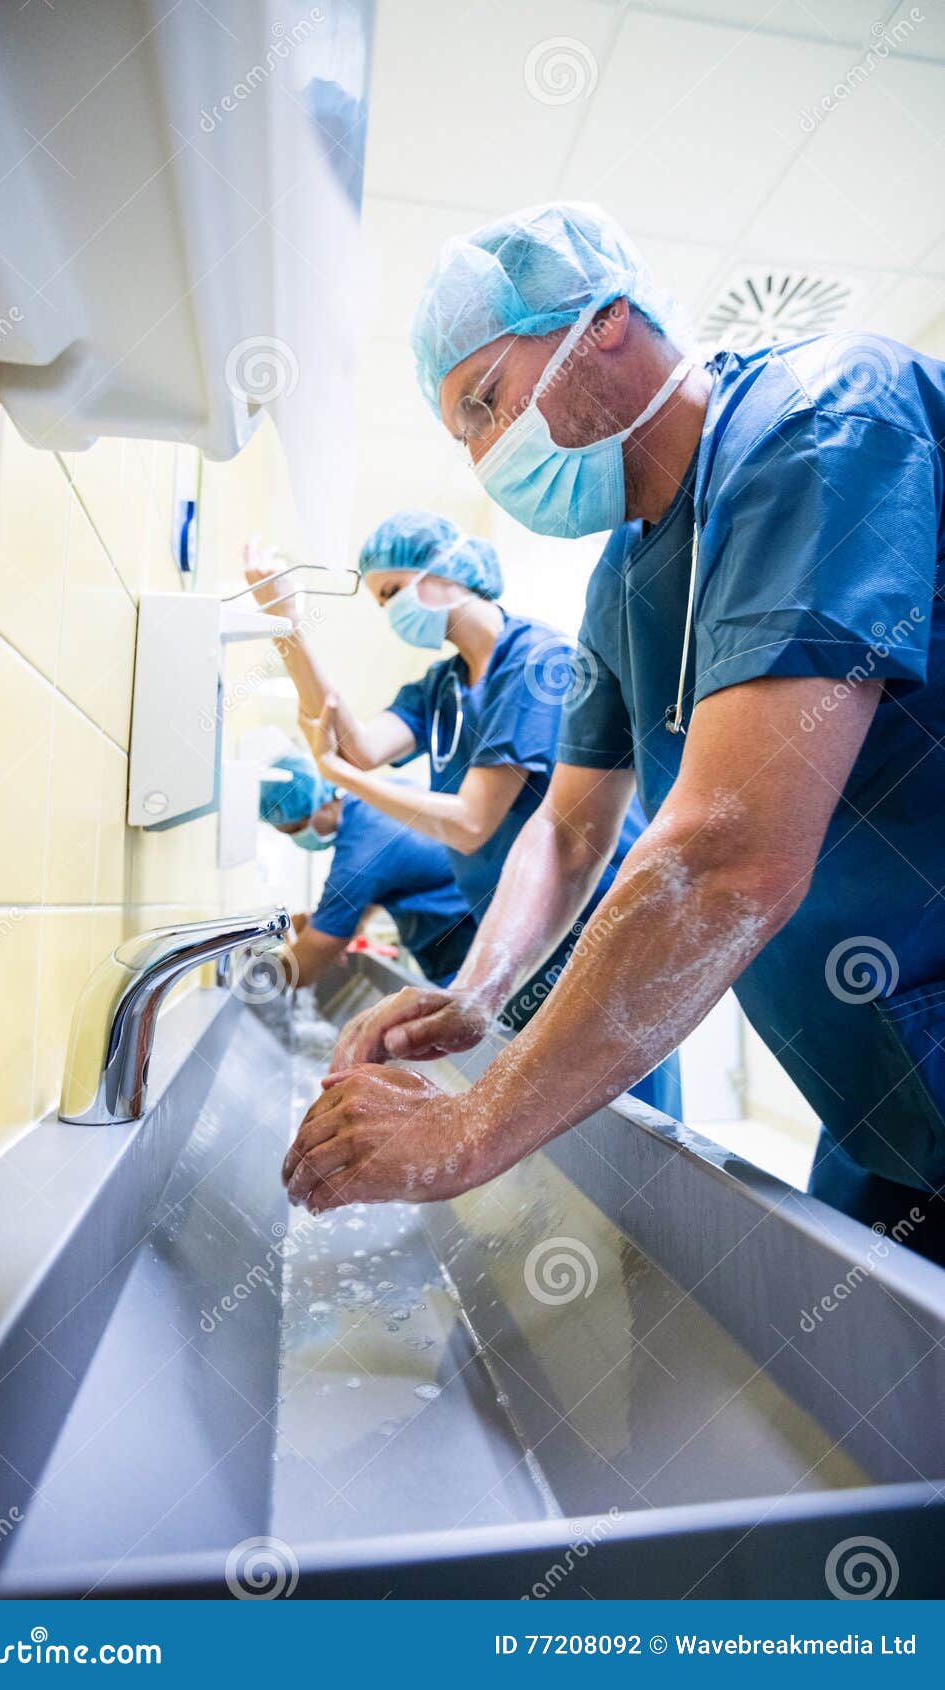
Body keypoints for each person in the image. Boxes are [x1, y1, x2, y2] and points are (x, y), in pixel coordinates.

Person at [282, 201, 945, 1266]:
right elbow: (565, 829)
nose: (488, 453)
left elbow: (729, 848)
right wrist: (476, 991)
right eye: (466, 436)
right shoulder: (620, 584)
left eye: (488, 402)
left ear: (604, 322)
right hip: (876, 1080)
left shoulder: (819, 423)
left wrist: (470, 1124)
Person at [247, 513, 680, 1113]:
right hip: (519, 930)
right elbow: (358, 747)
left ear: (451, 571)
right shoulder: (443, 684)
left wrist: (341, 777)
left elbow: (473, 820)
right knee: (551, 1115)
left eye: (395, 591)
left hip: (594, 925)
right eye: (381, 601)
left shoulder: (533, 661)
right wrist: (288, 630)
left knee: (624, 1121)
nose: (392, 611)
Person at [258, 750, 476, 989]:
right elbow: (370, 896)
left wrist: (266, 979)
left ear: (320, 806)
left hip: (467, 949)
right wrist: (326, 927)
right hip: (469, 934)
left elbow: (302, 970)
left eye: (295, 830)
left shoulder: (357, 859)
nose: (298, 840)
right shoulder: (382, 794)